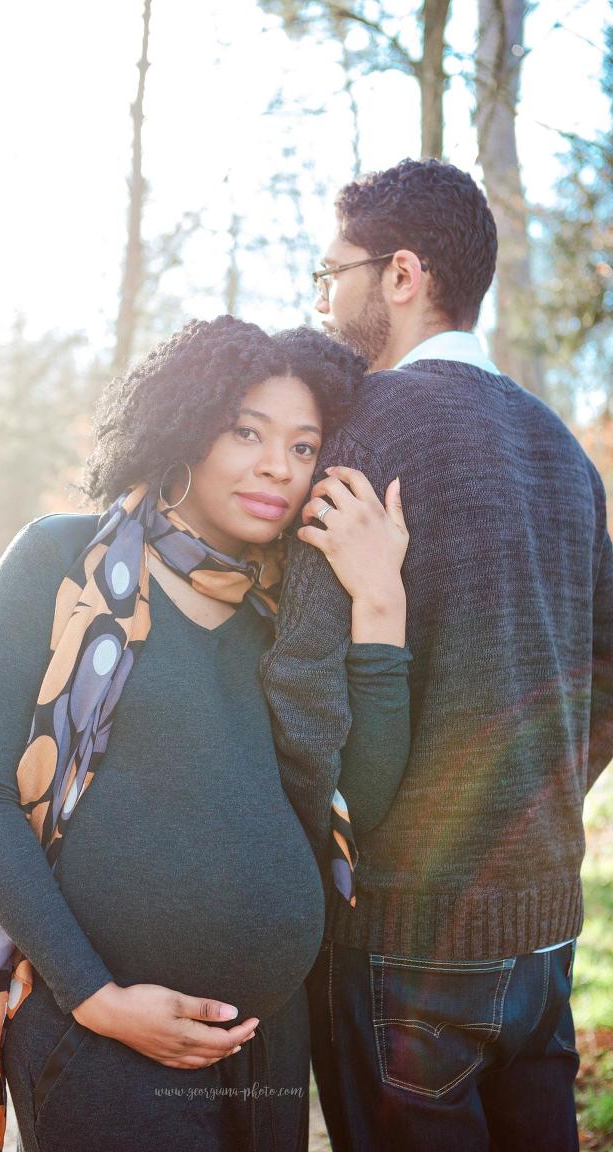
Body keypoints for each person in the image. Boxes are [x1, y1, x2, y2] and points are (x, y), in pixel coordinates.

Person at [0, 315, 412, 1152]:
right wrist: (94, 997)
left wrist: (379, 607)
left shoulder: (287, 613)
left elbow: (358, 802)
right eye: (247, 432)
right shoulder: (61, 560)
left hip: (267, 1042)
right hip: (103, 1039)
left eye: (304, 447)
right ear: (185, 428)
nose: (280, 464)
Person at [260, 158, 613, 1152]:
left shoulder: (362, 433)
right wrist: (533, 795)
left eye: (333, 276)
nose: (323, 303)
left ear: (403, 274)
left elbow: (303, 697)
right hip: (546, 928)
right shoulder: (564, 453)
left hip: (404, 935)